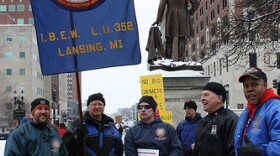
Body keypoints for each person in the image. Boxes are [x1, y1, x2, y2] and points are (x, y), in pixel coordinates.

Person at [234, 67, 280, 156]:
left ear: (265, 85)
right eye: (246, 86)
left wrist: (259, 151)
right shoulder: (246, 112)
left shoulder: (275, 109)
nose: (249, 89)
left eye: (255, 84)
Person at [4, 98, 68, 155]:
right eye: (39, 109)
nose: (43, 112)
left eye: (46, 109)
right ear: (33, 112)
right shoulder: (21, 134)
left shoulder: (54, 134)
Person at [192, 82, 238, 156]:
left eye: (206, 95)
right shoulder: (203, 122)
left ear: (219, 98)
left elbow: (234, 151)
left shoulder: (230, 120)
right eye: (202, 95)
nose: (202, 98)